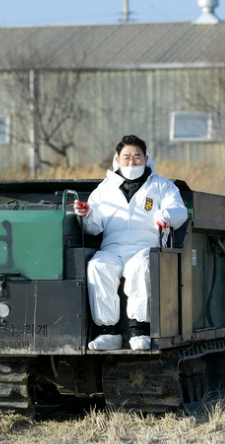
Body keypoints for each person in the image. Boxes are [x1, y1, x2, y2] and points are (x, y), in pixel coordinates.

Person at [73, 135, 187, 350]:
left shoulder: (161, 186)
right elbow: (94, 227)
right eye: (126, 157)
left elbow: (179, 210)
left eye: (137, 157)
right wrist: (86, 214)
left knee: (140, 266)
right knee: (98, 267)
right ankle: (108, 332)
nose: (131, 162)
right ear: (117, 159)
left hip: (145, 245)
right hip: (113, 247)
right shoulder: (104, 189)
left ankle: (139, 329)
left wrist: (166, 216)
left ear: (146, 158)